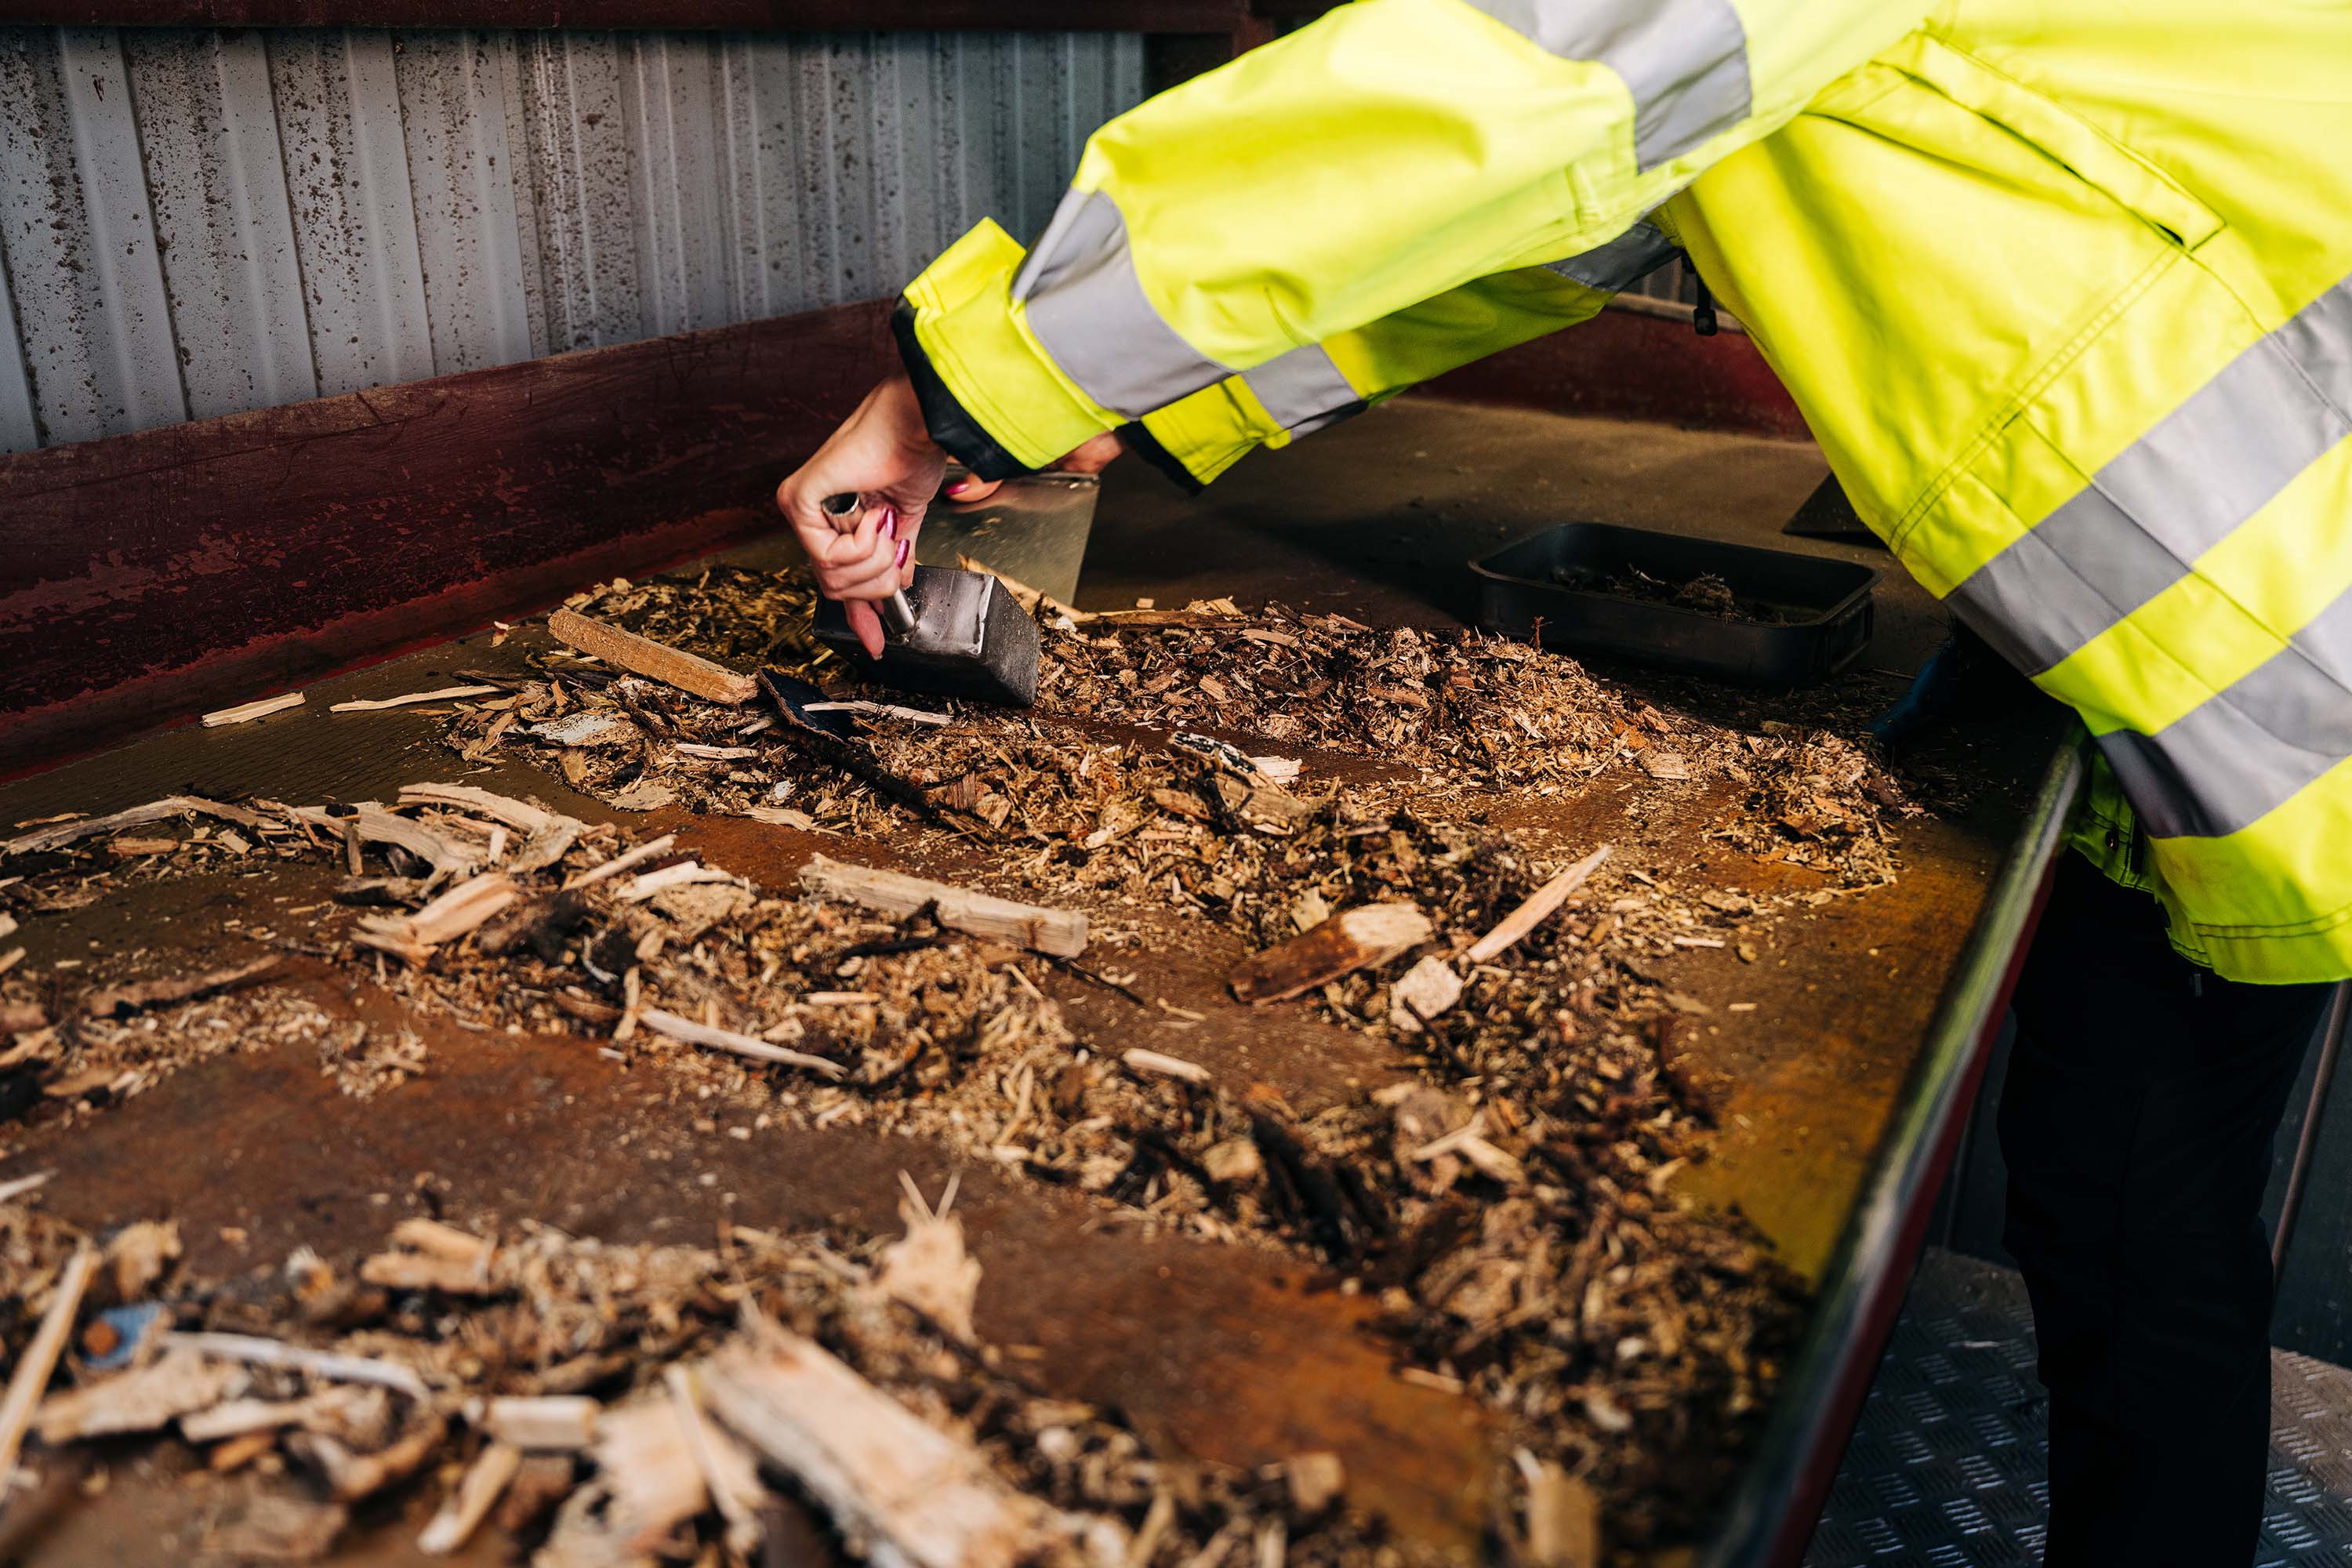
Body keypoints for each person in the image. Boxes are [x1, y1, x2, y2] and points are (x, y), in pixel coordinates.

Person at [775, 4, 2352, 1560]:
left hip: (2301, 642)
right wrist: (1148, 396)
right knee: (2125, 1167)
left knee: (2136, 1199)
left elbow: (1510, 93)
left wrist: (975, 381)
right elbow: (1561, 207)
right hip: (2261, 667)